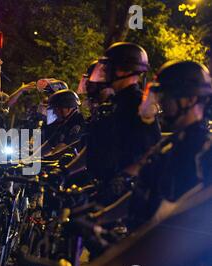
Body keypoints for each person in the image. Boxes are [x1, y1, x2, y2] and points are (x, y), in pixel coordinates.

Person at [127, 60, 212, 228]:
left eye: (167, 96)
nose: (162, 104)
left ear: (190, 100)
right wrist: (100, 217)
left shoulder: (204, 151)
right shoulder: (168, 146)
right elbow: (142, 193)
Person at [86, 43, 161, 186]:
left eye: (109, 67)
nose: (104, 71)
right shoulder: (113, 103)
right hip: (100, 186)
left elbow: (152, 151)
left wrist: (123, 179)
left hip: (126, 195)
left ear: (122, 70)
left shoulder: (137, 104)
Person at [41, 89, 86, 158]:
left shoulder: (78, 123)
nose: (54, 112)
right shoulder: (66, 123)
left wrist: (43, 159)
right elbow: (49, 144)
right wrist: (30, 158)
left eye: (56, 109)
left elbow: (63, 147)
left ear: (67, 108)